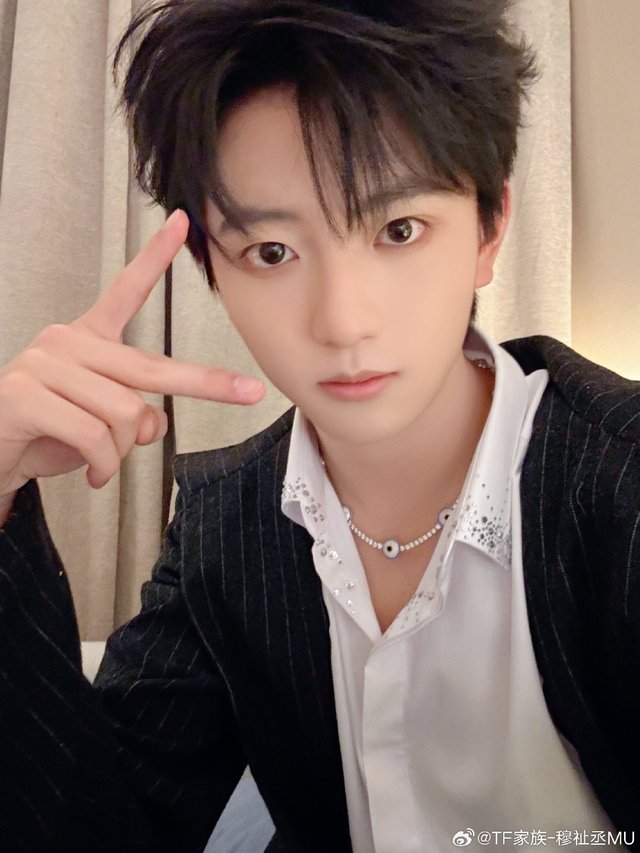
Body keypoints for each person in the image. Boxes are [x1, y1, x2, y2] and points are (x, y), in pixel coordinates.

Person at [0, 1, 638, 851]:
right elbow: (100, 828)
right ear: (212, 268)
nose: (342, 322)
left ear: (488, 230)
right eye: (272, 252)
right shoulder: (224, 527)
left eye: (399, 229)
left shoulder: (621, 486)